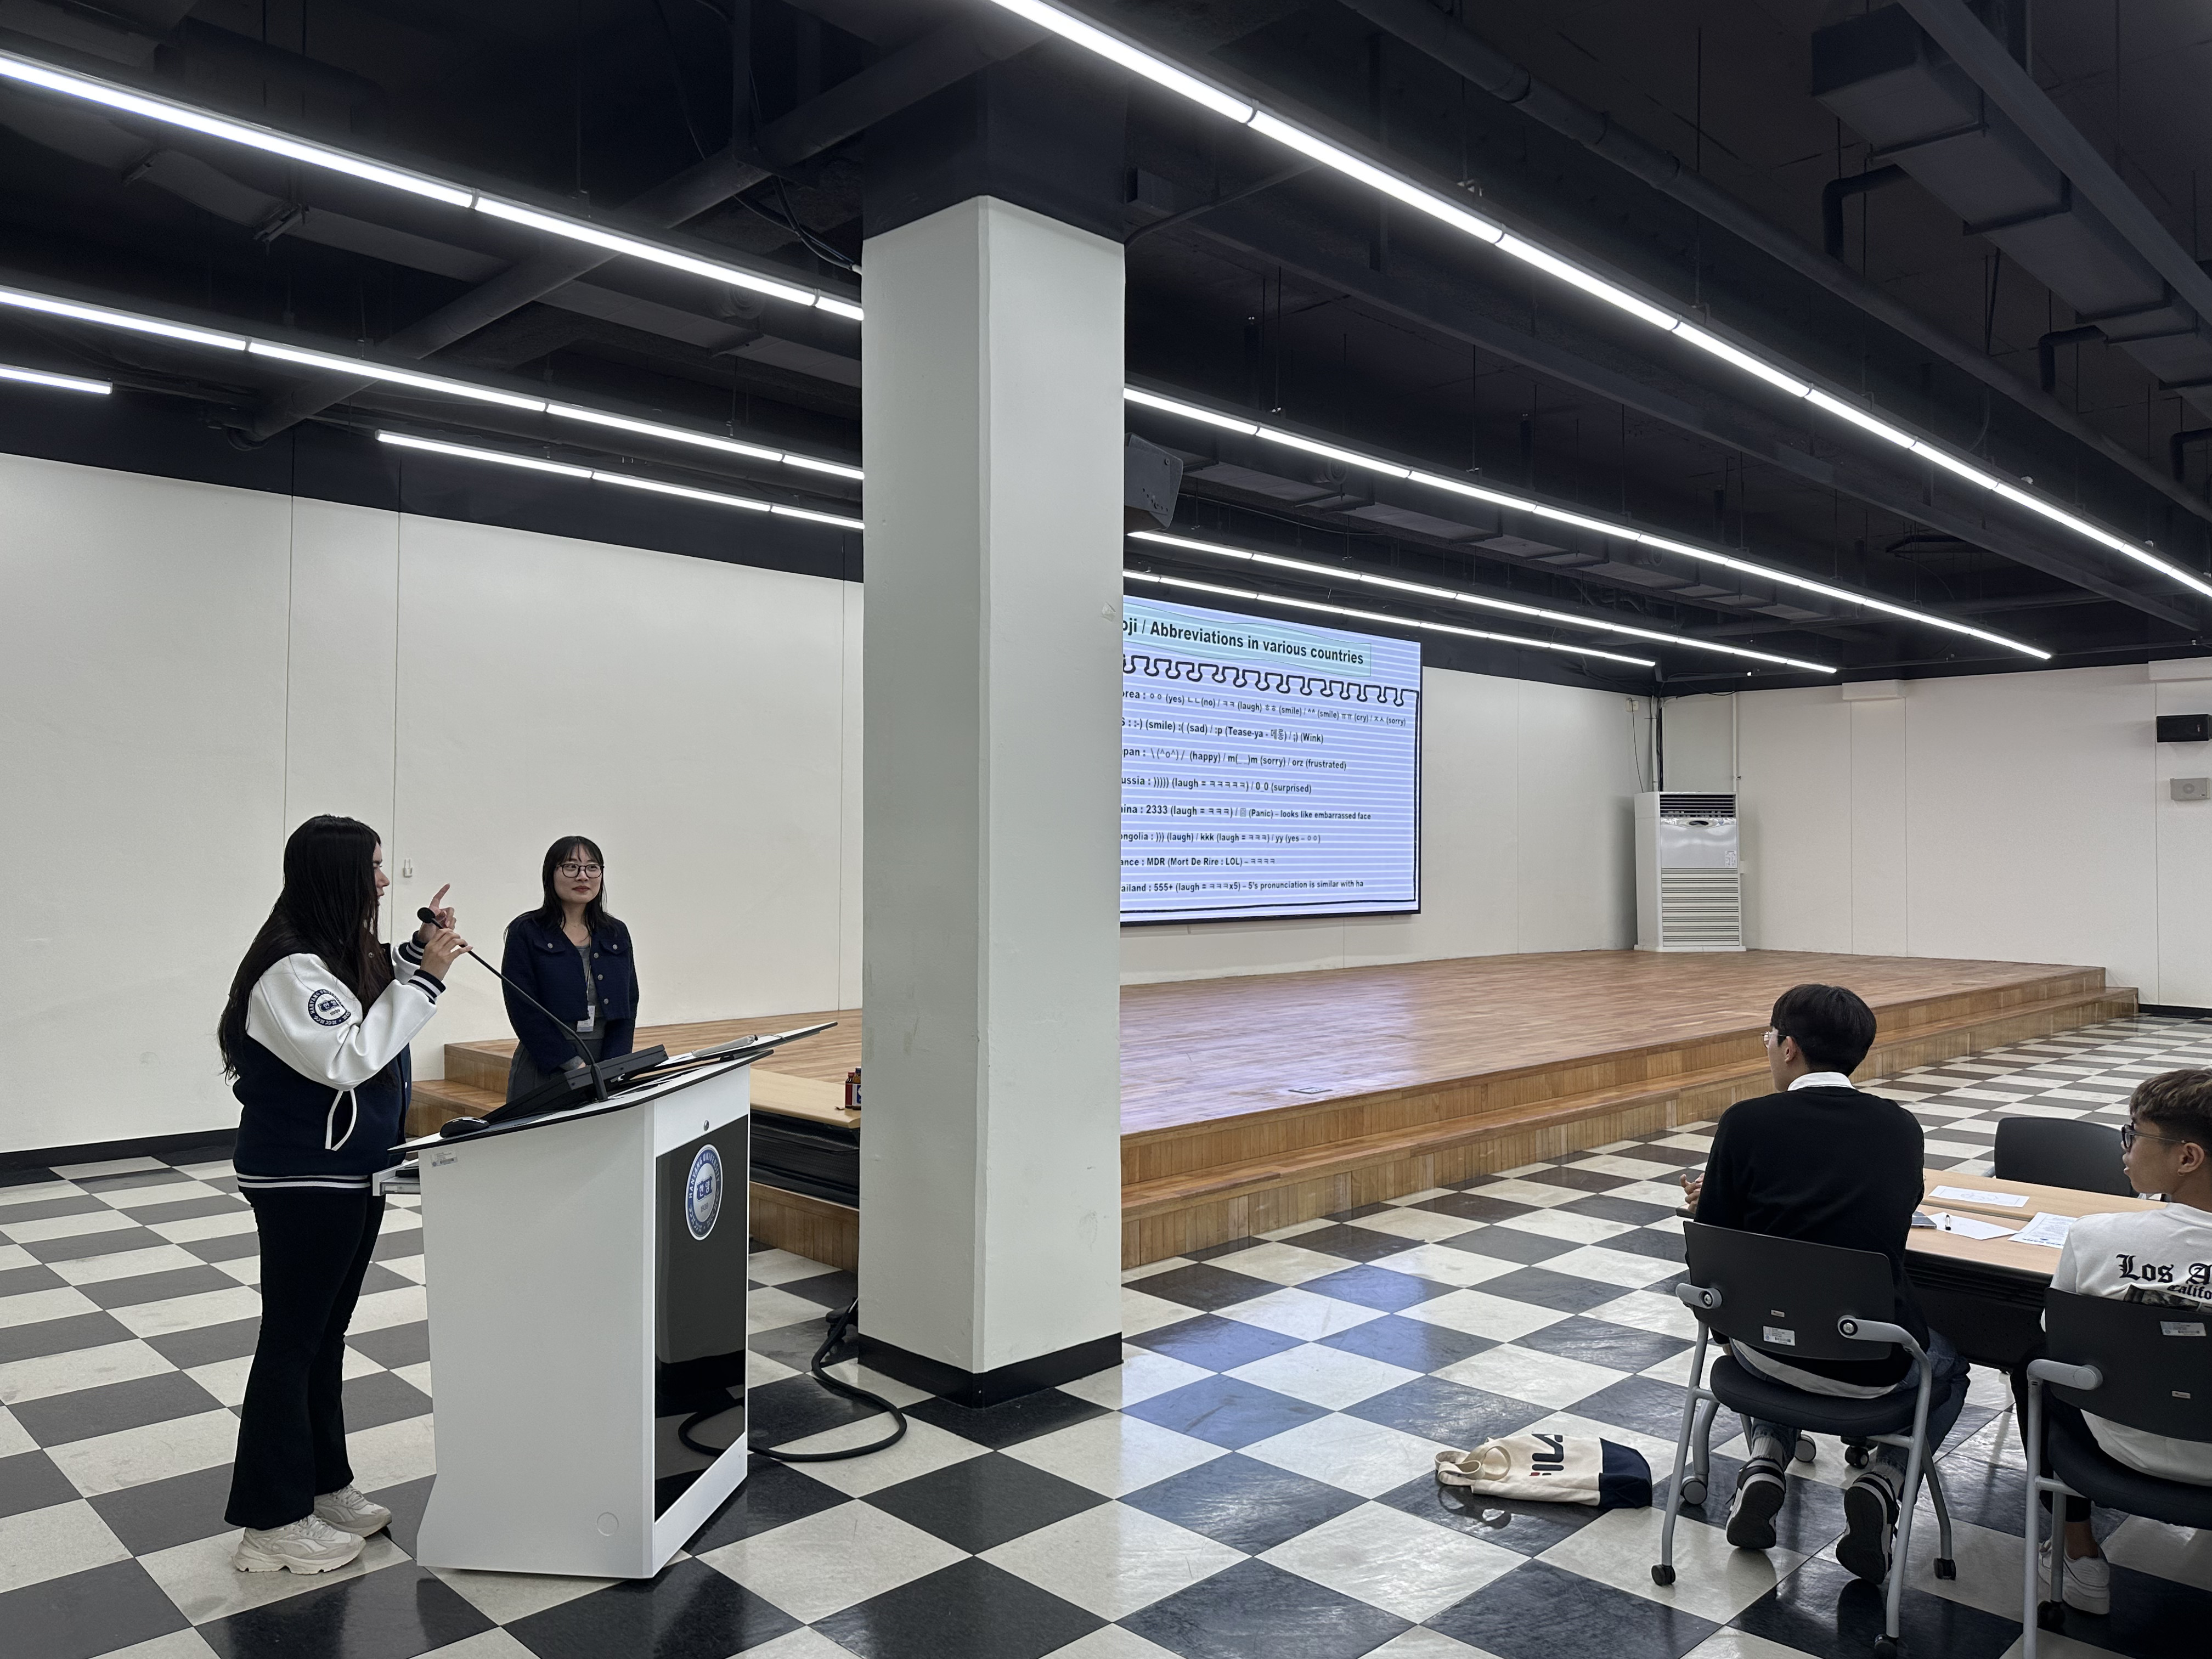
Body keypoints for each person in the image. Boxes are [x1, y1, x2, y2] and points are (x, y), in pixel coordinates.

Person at [216, 815, 465, 1574]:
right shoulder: (287, 967)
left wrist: (415, 952)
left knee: (324, 1339)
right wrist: (428, 980)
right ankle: (270, 1522)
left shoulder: (330, 948)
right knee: (292, 1344)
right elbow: (348, 1055)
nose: (385, 881)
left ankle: (323, 1485)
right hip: (304, 1178)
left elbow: (363, 983)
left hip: (353, 1169)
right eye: (375, 868)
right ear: (338, 876)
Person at [1690, 983, 1968, 1583]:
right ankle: (1885, 1478)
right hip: (1871, 1365)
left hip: (1760, 1353)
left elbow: (1713, 1248)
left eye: (1769, 1038)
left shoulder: (1745, 1122)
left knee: (1786, 1313)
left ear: (1789, 1047)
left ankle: (1766, 1458)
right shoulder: (1900, 1128)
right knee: (1952, 1362)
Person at [2015, 1066, 2212, 1616]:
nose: (2124, 1148)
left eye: (2134, 1134)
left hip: (2119, 1445)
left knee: (2036, 1363)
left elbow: (2059, 1338)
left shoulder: (2096, 1237)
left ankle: (2078, 1554)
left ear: (2188, 1157)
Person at [500, 836, 637, 1102]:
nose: (583, 876)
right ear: (550, 874)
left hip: (605, 1062)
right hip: (547, 1061)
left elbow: (629, 1002)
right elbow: (522, 1008)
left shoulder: (615, 932)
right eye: (571, 867)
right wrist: (573, 1064)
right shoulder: (527, 931)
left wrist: (614, 1065)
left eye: (592, 868)